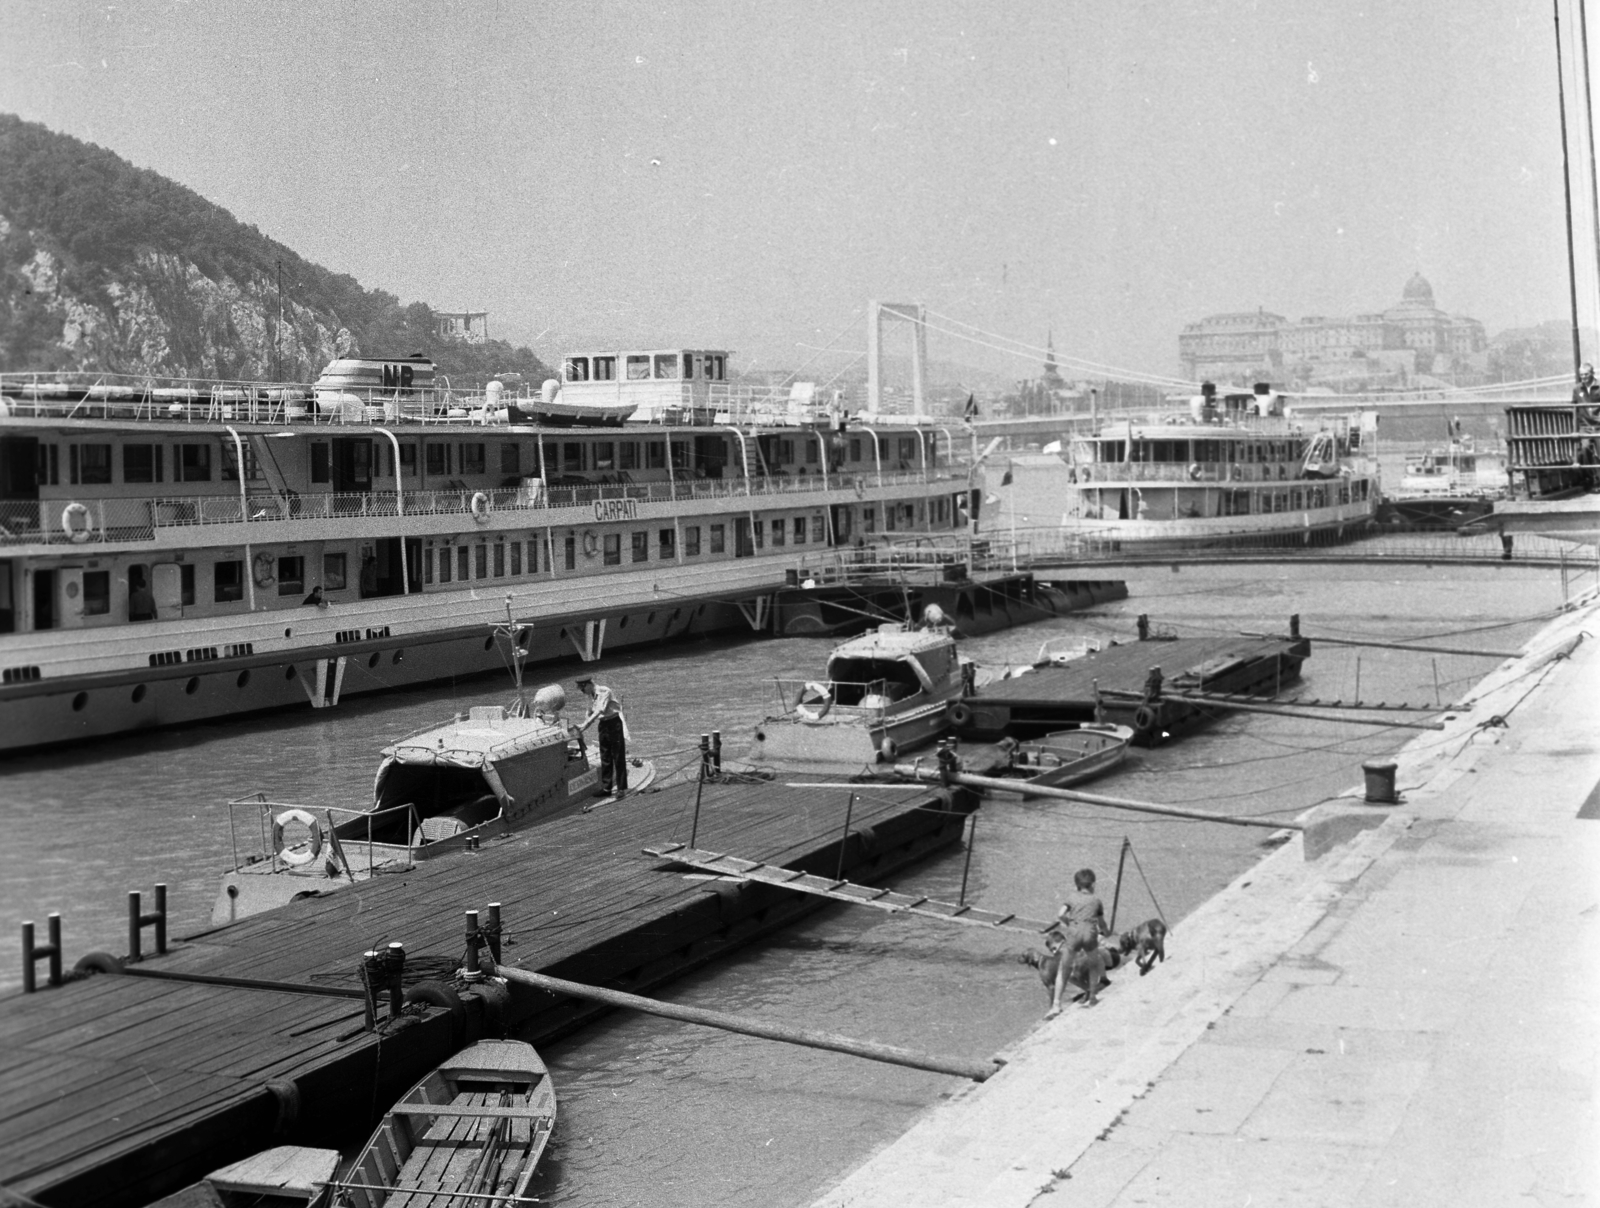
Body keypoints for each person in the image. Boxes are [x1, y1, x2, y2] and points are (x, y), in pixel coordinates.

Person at [577, 676, 628, 795]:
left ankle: (621, 788)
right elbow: (589, 711)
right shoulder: (591, 695)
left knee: (618, 756)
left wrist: (586, 724)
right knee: (605, 756)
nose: (582, 692)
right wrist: (583, 725)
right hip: (603, 725)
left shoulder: (604, 691)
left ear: (588, 685)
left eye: (582, 689)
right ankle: (607, 788)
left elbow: (600, 710)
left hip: (613, 723)